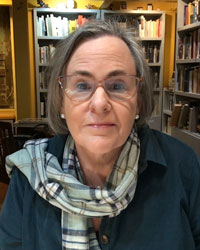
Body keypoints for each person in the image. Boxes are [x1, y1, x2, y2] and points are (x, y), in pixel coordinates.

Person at [0, 20, 200, 250]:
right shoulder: (28, 175)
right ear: (61, 103)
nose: (99, 103)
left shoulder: (183, 165)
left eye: (117, 86)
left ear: (138, 101)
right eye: (83, 85)